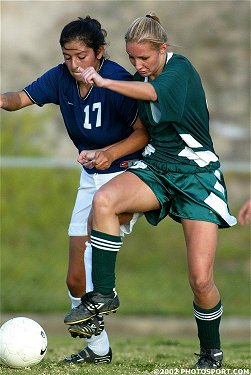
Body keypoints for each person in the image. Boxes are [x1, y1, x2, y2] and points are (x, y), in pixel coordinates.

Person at [64, 13, 237, 369]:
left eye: (145, 58)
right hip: (157, 168)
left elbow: (153, 92)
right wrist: (104, 154)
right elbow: (140, 122)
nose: (139, 65)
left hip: (196, 177)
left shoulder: (181, 70)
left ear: (163, 49)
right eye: (132, 59)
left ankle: (211, 353)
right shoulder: (139, 76)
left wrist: (105, 82)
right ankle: (105, 294)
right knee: (105, 201)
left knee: (201, 280)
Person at [0, 16, 149, 364]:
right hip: (90, 177)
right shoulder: (61, 78)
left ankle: (106, 298)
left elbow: (142, 133)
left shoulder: (116, 80)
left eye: (81, 56)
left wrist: (108, 154)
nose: (73, 64)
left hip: (126, 176)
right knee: (75, 278)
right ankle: (99, 351)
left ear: (98, 53)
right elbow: (18, 98)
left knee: (92, 253)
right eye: (67, 56)